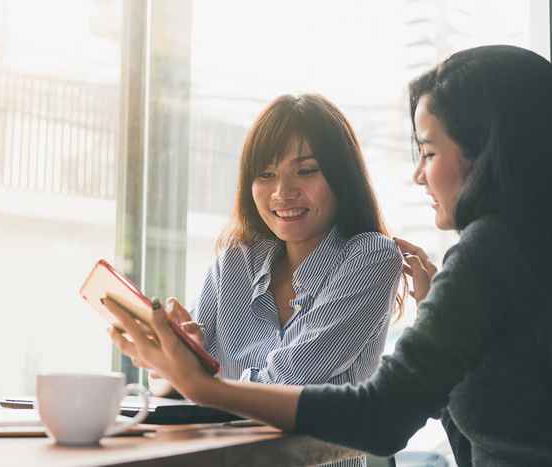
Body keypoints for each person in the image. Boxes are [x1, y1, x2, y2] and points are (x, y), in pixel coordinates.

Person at [105, 45, 552, 466]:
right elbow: (499, 434)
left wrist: (208, 385)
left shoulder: (485, 251)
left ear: (486, 151)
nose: (420, 174)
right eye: (266, 174)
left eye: (428, 152)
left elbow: (381, 416)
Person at [123, 94, 404, 467]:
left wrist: (202, 379)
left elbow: (290, 386)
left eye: (306, 170)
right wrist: (176, 358)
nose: (282, 192)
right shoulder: (236, 260)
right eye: (266, 174)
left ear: (341, 175)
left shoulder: (371, 256)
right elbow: (183, 394)